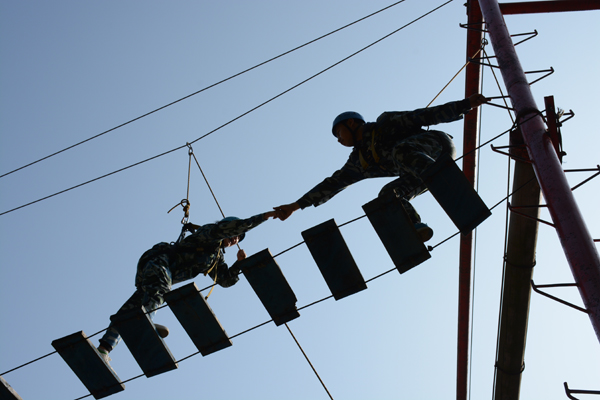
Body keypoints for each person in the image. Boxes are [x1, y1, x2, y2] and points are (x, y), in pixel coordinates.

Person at [274, 94, 488, 240]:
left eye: (339, 133)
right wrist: (295, 206)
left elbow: (421, 115)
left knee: (400, 151)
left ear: (351, 123)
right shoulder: (359, 162)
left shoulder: (384, 124)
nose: (339, 140)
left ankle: (446, 182)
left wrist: (463, 105)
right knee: (388, 195)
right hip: (418, 171)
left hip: (435, 147)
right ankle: (415, 227)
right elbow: (333, 183)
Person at [97, 212, 277, 363]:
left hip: (158, 274)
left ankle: (104, 348)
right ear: (227, 228)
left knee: (133, 308)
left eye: (238, 238)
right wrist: (266, 216)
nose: (236, 239)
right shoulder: (209, 233)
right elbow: (232, 228)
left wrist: (239, 264)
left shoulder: (215, 257)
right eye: (235, 234)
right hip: (159, 263)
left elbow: (224, 280)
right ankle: (145, 323)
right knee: (160, 291)